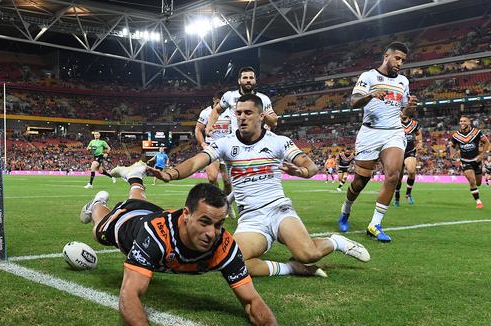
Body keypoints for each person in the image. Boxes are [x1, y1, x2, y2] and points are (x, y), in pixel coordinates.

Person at [78, 167, 314, 326]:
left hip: (151, 210)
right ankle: (97, 203)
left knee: (138, 200)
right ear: (186, 215)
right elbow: (129, 295)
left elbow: (251, 301)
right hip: (128, 224)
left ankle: (135, 178)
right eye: (205, 222)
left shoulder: (225, 246)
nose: (212, 233)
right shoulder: (156, 235)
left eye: (219, 224)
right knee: (100, 230)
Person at [150, 94, 370, 278]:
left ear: (261, 116)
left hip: (278, 209)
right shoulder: (225, 143)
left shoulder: (278, 141)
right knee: (233, 263)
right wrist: (173, 173)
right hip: (251, 218)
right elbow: (197, 161)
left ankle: (337, 242)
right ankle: (292, 268)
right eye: (239, 113)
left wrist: (300, 171)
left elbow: (311, 167)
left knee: (309, 253)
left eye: (248, 113)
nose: (242, 117)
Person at [337, 42, 418, 242]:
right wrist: (370, 94)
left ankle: (374, 224)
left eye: (403, 60)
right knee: (359, 182)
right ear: (386, 56)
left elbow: (404, 110)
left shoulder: (403, 82)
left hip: (394, 133)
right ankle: (346, 210)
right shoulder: (368, 76)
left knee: (393, 175)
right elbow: (354, 102)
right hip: (370, 133)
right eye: (397, 58)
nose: (400, 63)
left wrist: (410, 110)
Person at [195, 91, 236, 217]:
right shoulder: (206, 112)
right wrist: (202, 144)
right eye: (218, 102)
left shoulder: (231, 112)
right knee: (212, 178)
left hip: (227, 148)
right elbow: (198, 129)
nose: (221, 104)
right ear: (214, 100)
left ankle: (226, 204)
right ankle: (219, 204)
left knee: (228, 182)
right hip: (212, 146)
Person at [207, 66, 278, 135]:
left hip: (257, 142)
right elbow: (216, 110)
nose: (248, 80)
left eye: (251, 78)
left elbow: (274, 123)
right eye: (245, 78)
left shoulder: (263, 99)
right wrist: (210, 125)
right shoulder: (229, 96)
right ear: (239, 81)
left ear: (255, 81)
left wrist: (259, 112)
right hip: (236, 142)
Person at [448, 116, 489, 208]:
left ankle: (476, 192)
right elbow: (452, 146)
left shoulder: (476, 132)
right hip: (465, 161)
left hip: (476, 160)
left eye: (464, 121)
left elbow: (487, 142)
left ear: (469, 122)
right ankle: (478, 201)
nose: (462, 122)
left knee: (478, 183)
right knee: (472, 180)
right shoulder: (456, 135)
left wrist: (482, 155)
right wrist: (452, 153)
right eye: (461, 121)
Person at [394, 113, 423, 206]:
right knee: (398, 178)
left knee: (411, 171)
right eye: (401, 110)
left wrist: (420, 142)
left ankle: (408, 193)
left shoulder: (414, 124)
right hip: (397, 152)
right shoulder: (394, 123)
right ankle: (397, 195)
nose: (402, 113)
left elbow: (418, 134)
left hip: (409, 151)